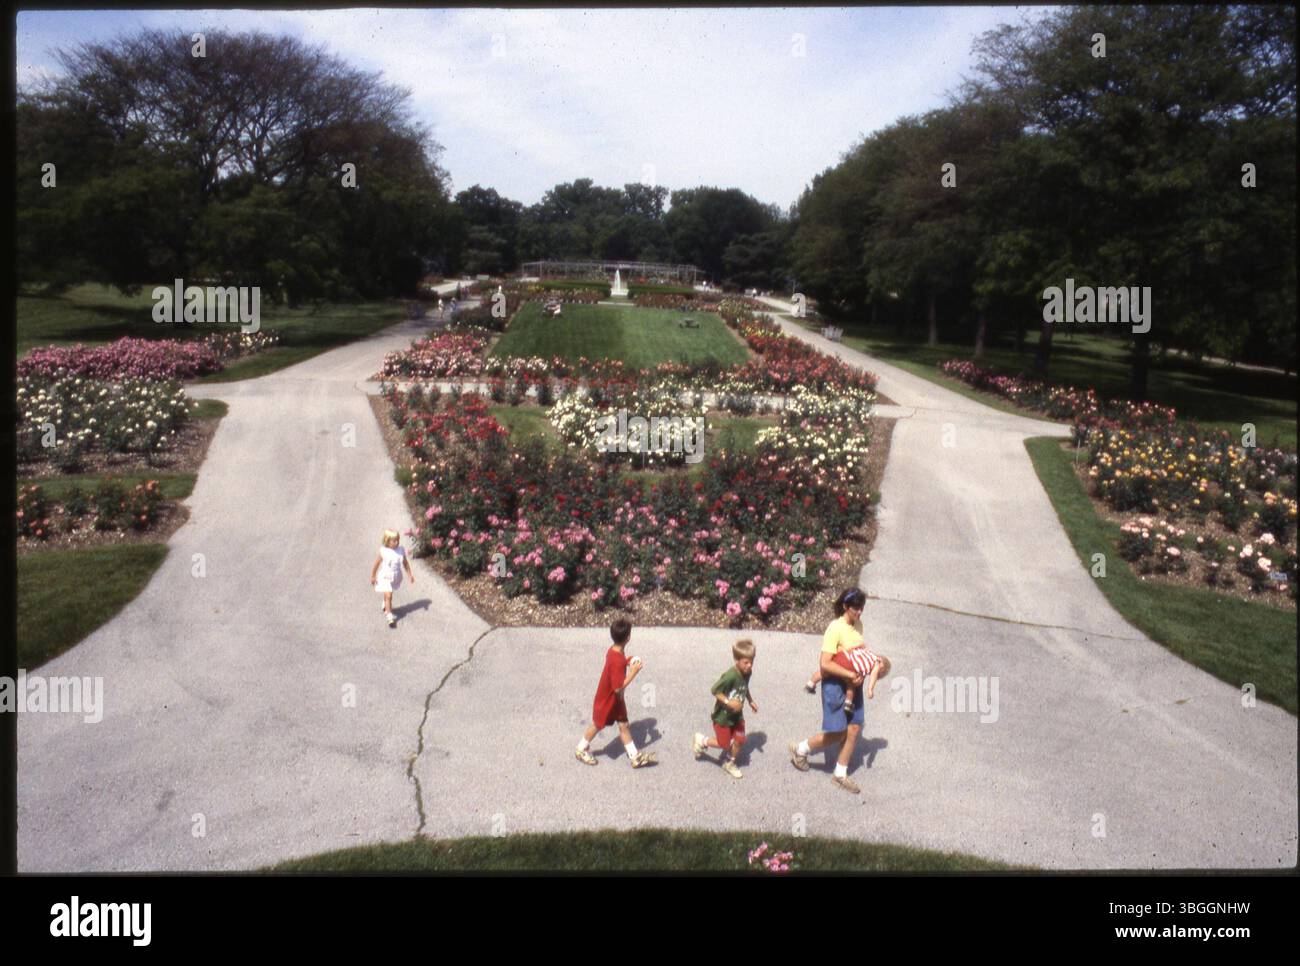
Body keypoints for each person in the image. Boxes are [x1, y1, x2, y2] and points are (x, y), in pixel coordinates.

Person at [789, 587, 871, 793]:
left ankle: (840, 774)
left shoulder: (857, 625)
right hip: (835, 685)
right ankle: (801, 749)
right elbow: (825, 664)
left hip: (854, 684)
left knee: (854, 728)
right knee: (838, 732)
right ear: (845, 607)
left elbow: (857, 651)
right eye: (855, 608)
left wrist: (865, 667)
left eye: (861, 608)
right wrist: (849, 675)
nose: (859, 612)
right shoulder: (835, 628)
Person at [575, 618, 656, 767]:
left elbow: (617, 667)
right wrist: (633, 672)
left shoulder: (613, 651)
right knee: (598, 725)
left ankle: (634, 756)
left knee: (624, 724)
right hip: (608, 700)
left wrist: (628, 661)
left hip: (616, 700)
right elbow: (618, 687)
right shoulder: (617, 660)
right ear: (628, 638)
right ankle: (581, 749)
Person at [693, 640, 757, 779]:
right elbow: (715, 690)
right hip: (723, 716)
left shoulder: (748, 672)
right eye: (746, 662)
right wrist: (729, 702)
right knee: (724, 744)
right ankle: (702, 740)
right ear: (737, 660)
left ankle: (729, 762)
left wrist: (750, 700)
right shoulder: (730, 676)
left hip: (737, 716)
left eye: (752, 662)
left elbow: (744, 687)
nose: (749, 665)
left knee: (740, 739)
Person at [804, 642, 891, 714]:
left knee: (825, 672)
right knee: (851, 685)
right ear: (881, 665)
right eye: (880, 674)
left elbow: (858, 647)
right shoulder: (876, 664)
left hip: (844, 656)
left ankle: (811, 683)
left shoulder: (868, 653)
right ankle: (848, 703)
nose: (877, 675)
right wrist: (870, 689)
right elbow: (874, 676)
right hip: (851, 666)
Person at [370, 529, 415, 628]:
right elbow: (376, 564)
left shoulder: (400, 550)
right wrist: (373, 576)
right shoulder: (384, 551)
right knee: (389, 595)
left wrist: (410, 574)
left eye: (397, 540)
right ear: (387, 541)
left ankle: (385, 603)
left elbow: (405, 563)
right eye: (393, 541)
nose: (396, 542)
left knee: (389, 594)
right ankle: (389, 615)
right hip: (385, 576)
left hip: (395, 576)